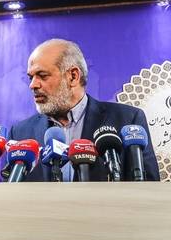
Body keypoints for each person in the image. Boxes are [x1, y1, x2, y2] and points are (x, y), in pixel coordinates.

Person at [9, 38, 160, 182]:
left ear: (73, 76)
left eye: (42, 76)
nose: (33, 85)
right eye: (31, 78)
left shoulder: (128, 119)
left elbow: (148, 188)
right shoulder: (20, 133)